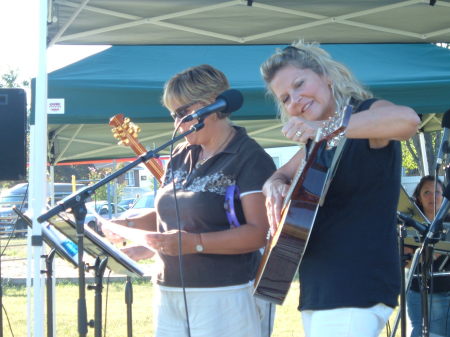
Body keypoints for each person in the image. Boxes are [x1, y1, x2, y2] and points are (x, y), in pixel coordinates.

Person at [101, 64, 277, 337]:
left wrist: (196, 243)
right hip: (168, 288)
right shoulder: (181, 154)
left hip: (225, 293)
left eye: (183, 113)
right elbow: (174, 213)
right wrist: (128, 224)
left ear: (212, 105)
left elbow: (259, 233)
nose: (177, 123)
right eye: (173, 115)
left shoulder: (249, 157)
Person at [259, 41, 420, 337]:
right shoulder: (318, 142)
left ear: (326, 77)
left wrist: (330, 127)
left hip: (356, 284)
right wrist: (273, 185)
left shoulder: (365, 114)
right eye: (285, 98)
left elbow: (408, 120)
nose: (295, 99)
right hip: (319, 288)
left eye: (299, 84)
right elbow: (281, 174)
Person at [406, 175, 450, 337]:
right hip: (421, 294)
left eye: (437, 192)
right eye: (427, 192)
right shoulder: (410, 223)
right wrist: (424, 255)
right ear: (418, 198)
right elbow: (404, 260)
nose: (433, 197)